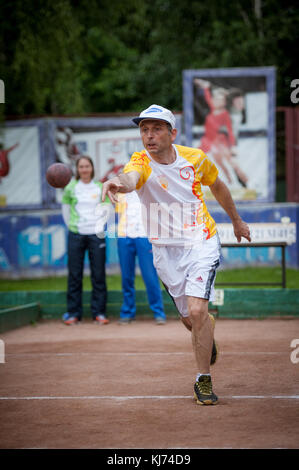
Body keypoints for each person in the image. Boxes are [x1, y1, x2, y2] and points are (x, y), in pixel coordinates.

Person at [102, 104, 251, 406]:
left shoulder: (195, 159)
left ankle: (203, 380)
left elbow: (218, 186)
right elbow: (131, 178)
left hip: (201, 240)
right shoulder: (140, 161)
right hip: (165, 251)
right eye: (144, 130)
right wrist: (118, 183)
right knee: (189, 320)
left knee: (196, 312)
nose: (149, 135)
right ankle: (205, 329)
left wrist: (236, 219)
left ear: (172, 133)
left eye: (156, 129)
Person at [61, 155, 111, 326]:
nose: (84, 169)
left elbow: (106, 208)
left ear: (92, 168)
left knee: (98, 274)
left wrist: (99, 226)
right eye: (81, 166)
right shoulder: (71, 188)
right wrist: (73, 227)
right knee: (75, 274)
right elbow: (66, 210)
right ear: (77, 169)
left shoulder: (99, 187)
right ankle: (74, 313)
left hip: (96, 235)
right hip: (76, 234)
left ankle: (99, 313)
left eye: (87, 166)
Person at [116, 190, 166, 325]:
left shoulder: (148, 189)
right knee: (126, 277)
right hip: (124, 235)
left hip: (145, 236)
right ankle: (127, 312)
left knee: (150, 276)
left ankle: (158, 312)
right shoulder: (120, 192)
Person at [194, 78, 248, 188]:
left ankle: (246, 181)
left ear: (224, 101)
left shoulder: (225, 114)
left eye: (220, 99)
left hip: (220, 141)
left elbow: (230, 132)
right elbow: (208, 96)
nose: (216, 101)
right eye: (215, 99)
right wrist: (206, 87)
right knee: (217, 163)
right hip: (209, 140)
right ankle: (229, 182)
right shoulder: (213, 108)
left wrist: (232, 146)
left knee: (232, 163)